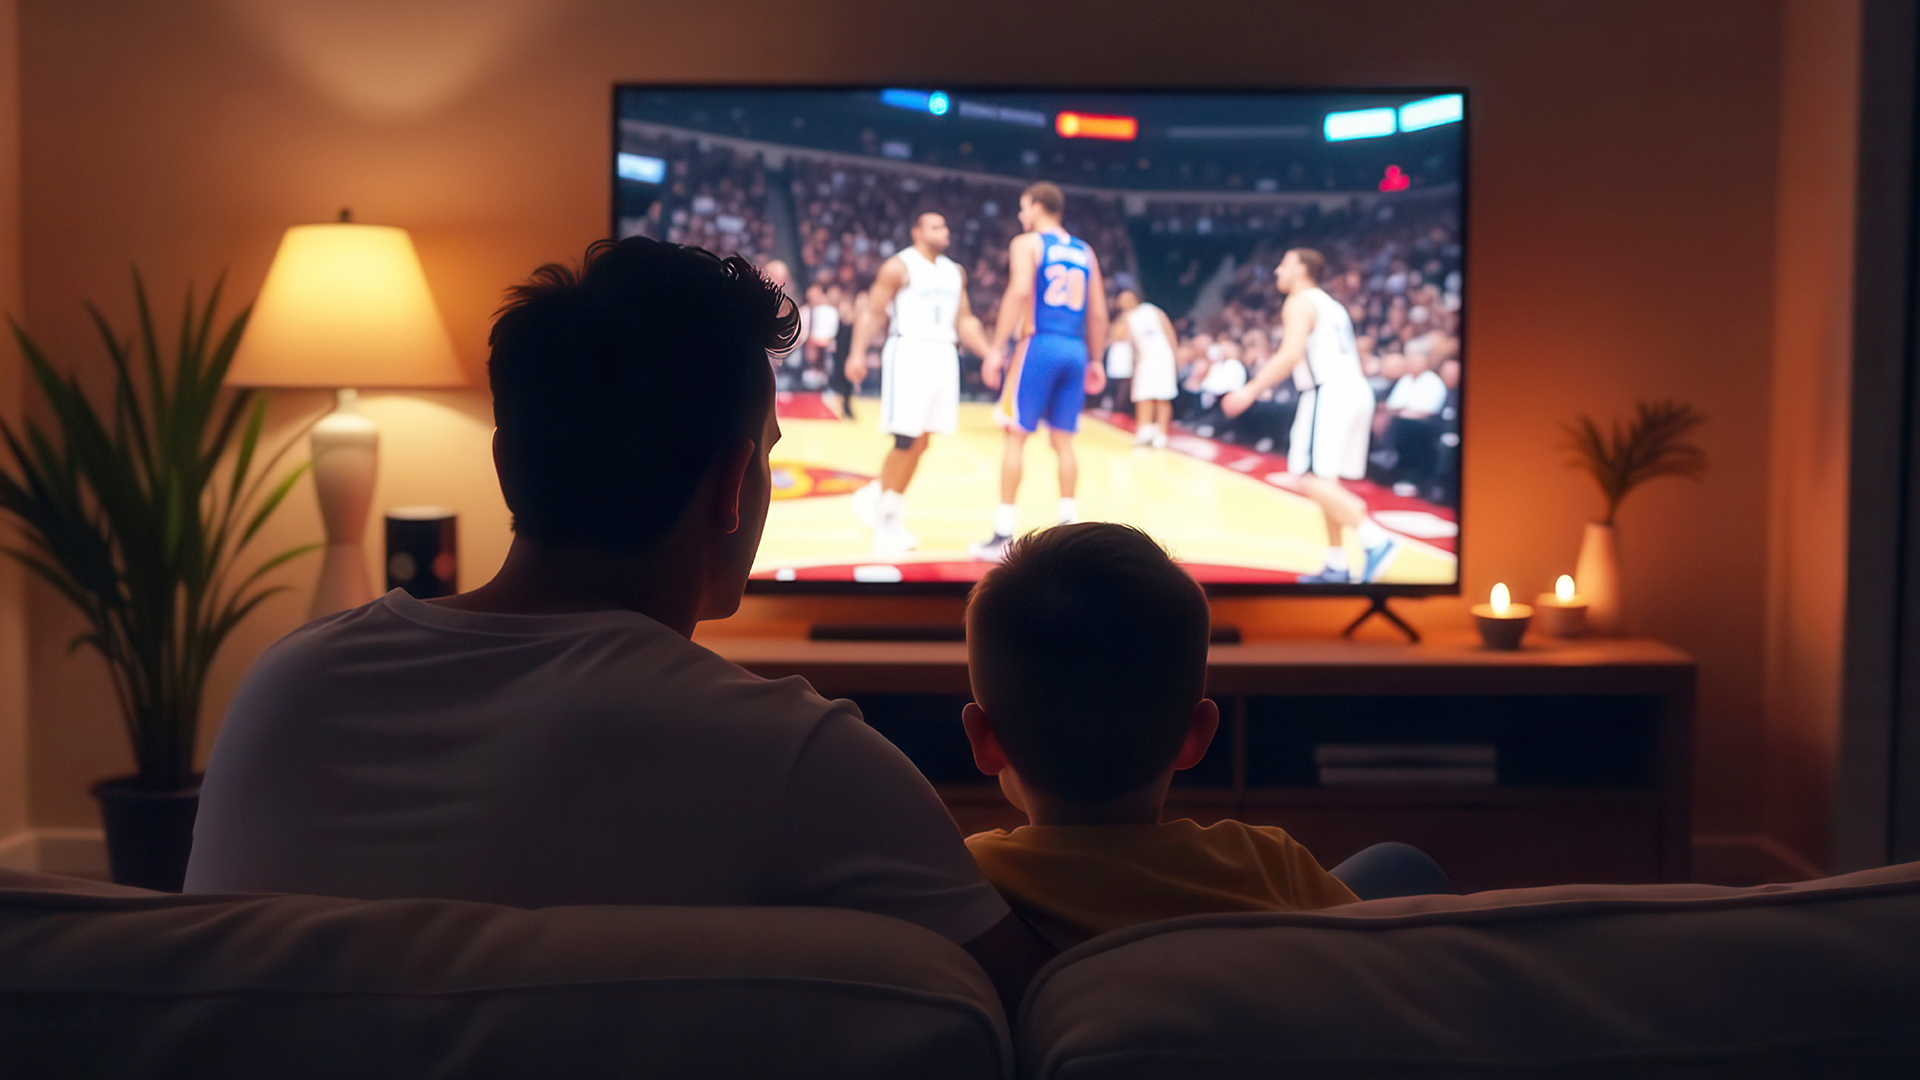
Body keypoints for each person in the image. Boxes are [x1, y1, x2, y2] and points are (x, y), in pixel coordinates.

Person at [185, 236, 1052, 1012]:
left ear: (504, 462)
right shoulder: (804, 756)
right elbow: (1048, 1017)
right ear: (730, 487)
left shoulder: (284, 688)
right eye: (770, 460)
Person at [959, 523, 1449, 949]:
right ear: (1197, 735)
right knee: (1401, 865)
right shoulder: (1267, 863)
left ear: (985, 740)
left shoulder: (972, 878)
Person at [1223, 248, 1402, 584]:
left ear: (1303, 269)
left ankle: (1376, 539)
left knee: (1307, 476)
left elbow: (1290, 355)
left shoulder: (1300, 301)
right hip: (1352, 389)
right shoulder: (1331, 305)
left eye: (1285, 264)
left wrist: (1250, 390)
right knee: (1325, 480)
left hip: (1327, 391)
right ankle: (1336, 563)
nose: (1278, 270)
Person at [972, 183, 1109, 561]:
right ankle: (1070, 529)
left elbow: (1018, 293)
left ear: (1036, 207)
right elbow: (1098, 312)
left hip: (1038, 344)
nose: (1021, 216)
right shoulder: (1085, 251)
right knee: (1064, 442)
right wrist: (1097, 359)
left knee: (1015, 437)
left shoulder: (1027, 243)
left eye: (1022, 208)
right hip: (1076, 349)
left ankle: (1002, 532)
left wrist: (997, 348)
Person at [844, 211, 993, 552]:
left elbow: (966, 321)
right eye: (936, 226)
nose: (945, 231)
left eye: (945, 225)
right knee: (906, 439)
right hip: (910, 349)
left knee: (923, 440)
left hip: (944, 353)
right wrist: (856, 354)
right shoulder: (899, 266)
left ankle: (875, 495)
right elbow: (873, 310)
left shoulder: (955, 272)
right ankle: (887, 516)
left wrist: (989, 353)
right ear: (917, 231)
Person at [1117, 289, 1179, 449]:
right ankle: (1144, 432)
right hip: (1145, 359)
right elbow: (1120, 338)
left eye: (1127, 299)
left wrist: (1175, 355)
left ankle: (1161, 433)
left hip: (1163, 357)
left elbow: (1169, 331)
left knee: (1163, 396)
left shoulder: (1151, 310)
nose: (1125, 303)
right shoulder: (1127, 318)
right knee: (1143, 396)